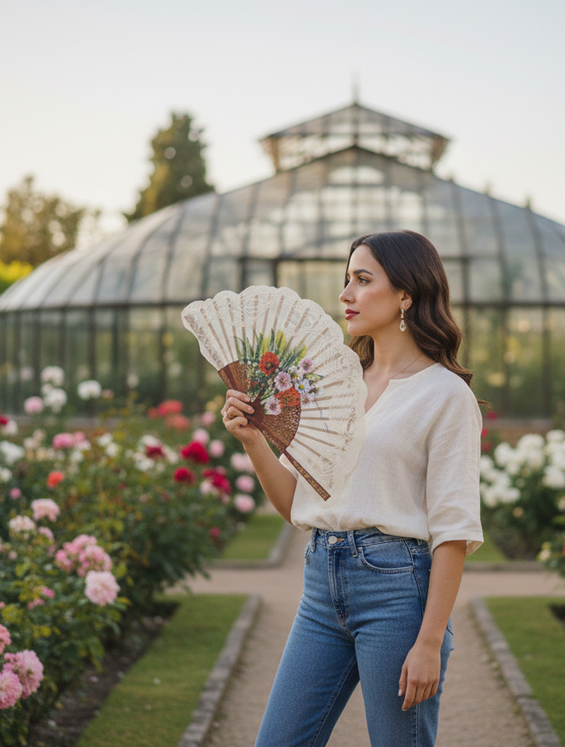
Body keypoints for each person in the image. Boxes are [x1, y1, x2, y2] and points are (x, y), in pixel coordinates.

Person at [220, 229, 484, 747]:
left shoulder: (446, 396)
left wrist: (429, 641)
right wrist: (254, 442)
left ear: (406, 294)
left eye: (363, 280)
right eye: (346, 280)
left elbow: (453, 530)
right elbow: (297, 504)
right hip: (320, 587)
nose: (345, 294)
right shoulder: (331, 385)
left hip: (397, 593)